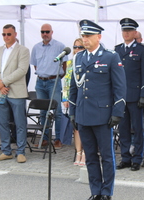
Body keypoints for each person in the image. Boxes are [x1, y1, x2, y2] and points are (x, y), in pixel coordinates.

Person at [69, 19, 126, 200]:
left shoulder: (110, 56)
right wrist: (72, 112)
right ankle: (95, 191)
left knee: (107, 157)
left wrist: (117, 112)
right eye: (83, 36)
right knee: (91, 156)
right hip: (83, 114)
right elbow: (73, 87)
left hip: (103, 115)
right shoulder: (78, 57)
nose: (84, 39)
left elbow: (120, 87)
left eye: (88, 36)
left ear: (98, 37)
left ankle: (107, 192)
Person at [0, 24, 29, 163]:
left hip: (16, 92)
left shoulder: (23, 50)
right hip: (0, 92)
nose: (6, 37)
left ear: (15, 34)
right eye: (4, 34)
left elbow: (22, 70)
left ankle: (21, 151)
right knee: (2, 123)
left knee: (20, 123)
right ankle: (6, 151)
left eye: (9, 34)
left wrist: (3, 82)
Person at [115, 18, 144, 171]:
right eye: (124, 30)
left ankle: (137, 158)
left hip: (135, 96)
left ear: (135, 32)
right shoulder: (117, 50)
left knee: (137, 129)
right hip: (121, 96)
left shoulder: (142, 49)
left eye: (129, 30)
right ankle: (125, 157)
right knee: (123, 129)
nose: (126, 33)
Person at [31, 23, 68, 148]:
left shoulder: (60, 46)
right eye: (43, 32)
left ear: (52, 32)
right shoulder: (36, 47)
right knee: (43, 112)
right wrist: (44, 74)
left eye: (47, 31)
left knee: (57, 112)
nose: (45, 34)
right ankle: (45, 138)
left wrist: (54, 77)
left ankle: (58, 139)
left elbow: (64, 66)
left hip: (54, 81)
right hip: (40, 82)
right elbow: (35, 65)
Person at [62, 38, 86, 166]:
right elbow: (66, 81)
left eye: (80, 47)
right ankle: (78, 152)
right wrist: (65, 98)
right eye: (75, 47)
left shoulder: (87, 61)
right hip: (73, 97)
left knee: (86, 127)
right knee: (76, 128)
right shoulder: (71, 62)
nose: (76, 50)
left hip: (85, 97)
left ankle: (86, 152)